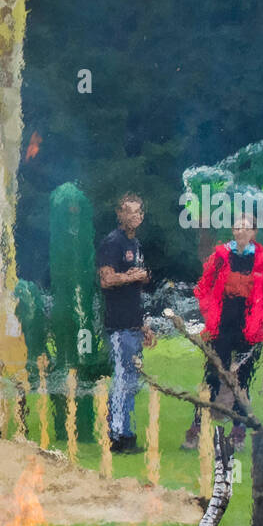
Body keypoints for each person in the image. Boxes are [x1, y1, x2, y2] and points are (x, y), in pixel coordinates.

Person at [184, 213, 263, 450]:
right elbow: (203, 287)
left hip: (249, 329)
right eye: (237, 228)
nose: (240, 232)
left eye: (246, 228)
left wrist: (262, 320)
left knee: (243, 382)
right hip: (222, 326)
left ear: (254, 232)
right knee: (212, 377)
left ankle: (239, 430)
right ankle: (196, 428)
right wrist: (209, 311)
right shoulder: (220, 257)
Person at [97, 193, 156, 454]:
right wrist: (130, 276)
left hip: (132, 322)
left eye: (138, 212)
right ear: (119, 215)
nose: (134, 216)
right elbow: (106, 280)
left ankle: (127, 433)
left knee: (132, 379)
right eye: (128, 211)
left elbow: (136, 288)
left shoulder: (137, 244)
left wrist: (143, 324)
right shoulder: (113, 243)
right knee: (122, 378)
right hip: (118, 324)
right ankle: (117, 436)